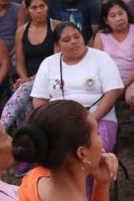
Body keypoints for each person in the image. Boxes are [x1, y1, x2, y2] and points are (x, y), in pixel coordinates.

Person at [30, 23, 124, 153]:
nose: (74, 42)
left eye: (76, 36)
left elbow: (113, 91)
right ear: (57, 46)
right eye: (66, 40)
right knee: (56, 154)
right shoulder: (48, 63)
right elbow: (39, 99)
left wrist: (92, 119)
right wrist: (51, 122)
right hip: (60, 122)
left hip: (98, 118)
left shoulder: (101, 58)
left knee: (89, 154)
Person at [3, 0, 55, 157]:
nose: (39, 11)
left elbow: (57, 61)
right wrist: (24, 77)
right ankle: (29, 151)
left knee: (25, 90)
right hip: (28, 81)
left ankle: (1, 129)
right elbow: (20, 62)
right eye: (34, 7)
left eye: (42, 6)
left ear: (47, 7)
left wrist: (31, 80)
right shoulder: (21, 31)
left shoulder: (56, 26)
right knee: (26, 102)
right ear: (27, 10)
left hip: (51, 77)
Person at [92, 0, 134, 104]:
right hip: (108, 81)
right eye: (113, 16)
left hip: (133, 79)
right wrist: (112, 85)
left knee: (133, 96)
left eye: (121, 13)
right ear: (106, 20)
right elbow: (97, 64)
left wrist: (125, 84)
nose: (119, 19)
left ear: (127, 13)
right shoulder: (100, 35)